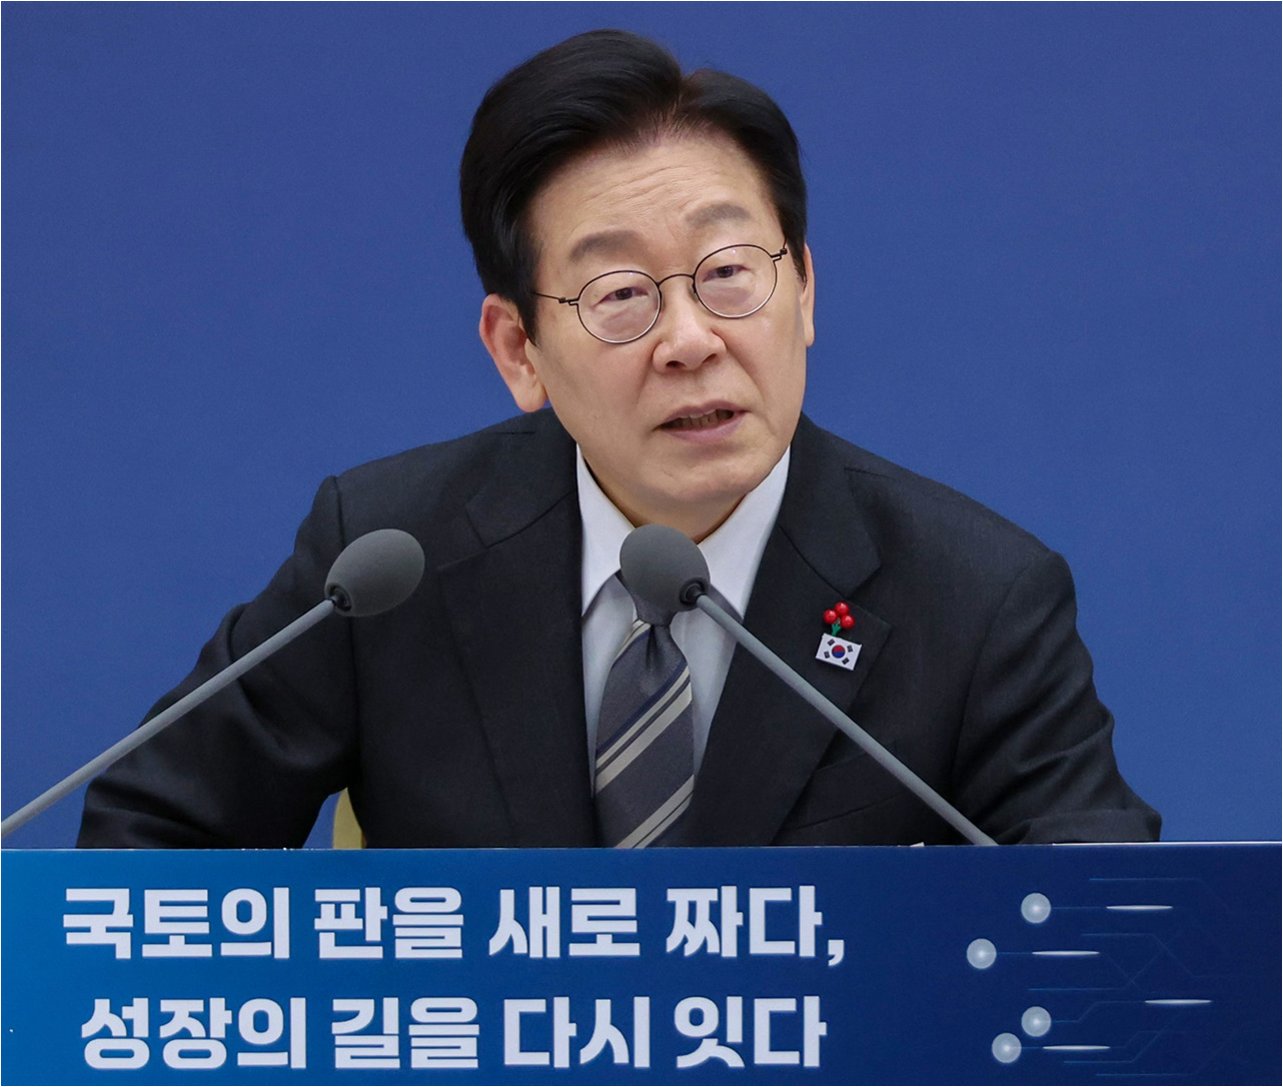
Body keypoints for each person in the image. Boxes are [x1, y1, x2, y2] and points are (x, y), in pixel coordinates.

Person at [78, 29, 1159, 849]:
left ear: (805, 291)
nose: (689, 340)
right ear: (518, 350)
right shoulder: (387, 562)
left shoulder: (974, 599)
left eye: (728, 274)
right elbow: (146, 844)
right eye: (620, 294)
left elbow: (1104, 938)